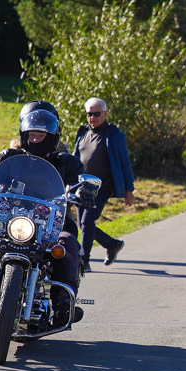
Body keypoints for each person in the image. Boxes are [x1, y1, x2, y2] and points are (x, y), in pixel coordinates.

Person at [0, 100, 91, 327]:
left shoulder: (66, 162)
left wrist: (85, 190)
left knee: (68, 243)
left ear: (52, 134)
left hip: (51, 226)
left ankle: (63, 305)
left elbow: (80, 182)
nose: (35, 138)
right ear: (23, 131)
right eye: (31, 133)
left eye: (40, 134)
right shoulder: (8, 156)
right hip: (8, 220)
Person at [72, 97, 134, 272]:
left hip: (102, 186)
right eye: (89, 114)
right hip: (82, 186)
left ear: (105, 114)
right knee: (83, 224)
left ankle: (83, 262)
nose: (93, 117)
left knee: (87, 221)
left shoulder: (114, 135)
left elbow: (125, 163)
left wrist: (129, 190)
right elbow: (74, 159)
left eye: (97, 114)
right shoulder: (83, 133)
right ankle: (112, 244)